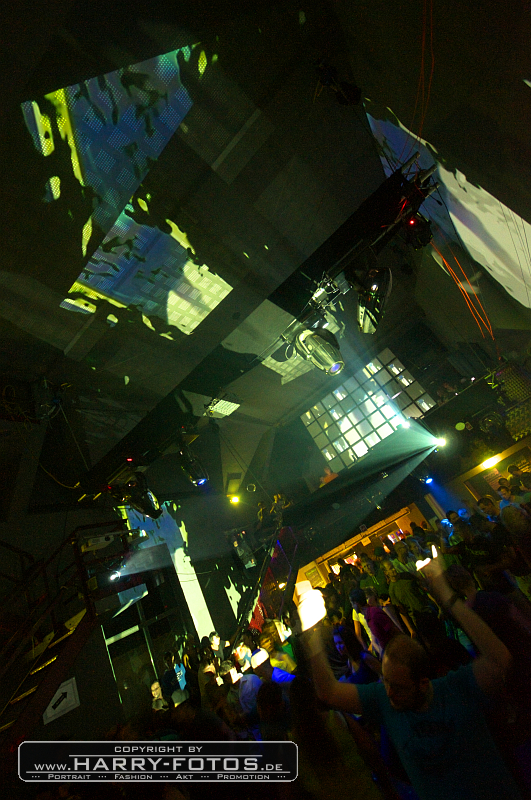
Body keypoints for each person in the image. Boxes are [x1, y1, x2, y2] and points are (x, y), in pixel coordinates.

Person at [296, 555, 522, 800]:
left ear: (423, 683)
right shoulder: (385, 700)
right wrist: (311, 633)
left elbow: (500, 659)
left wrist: (446, 595)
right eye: (386, 681)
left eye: (398, 686)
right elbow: (328, 692)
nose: (389, 691)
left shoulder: (456, 688)